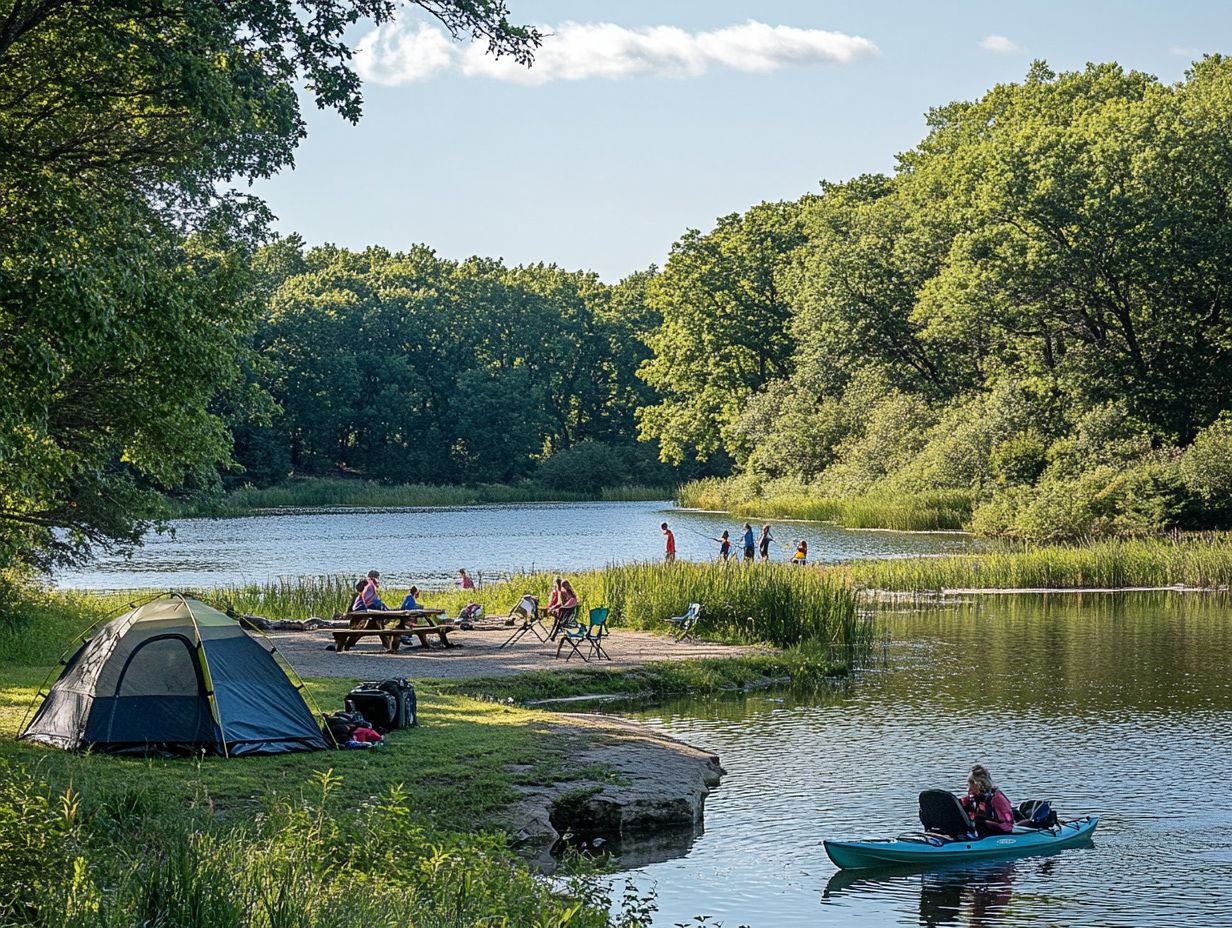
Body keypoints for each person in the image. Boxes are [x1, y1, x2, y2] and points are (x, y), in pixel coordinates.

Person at [959, 764, 1014, 837]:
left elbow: (1007, 825)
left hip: (997, 833)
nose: (968, 789)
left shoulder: (997, 799)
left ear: (978, 784)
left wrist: (984, 822)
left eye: (970, 785)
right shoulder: (972, 798)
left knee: (978, 819)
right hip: (981, 831)